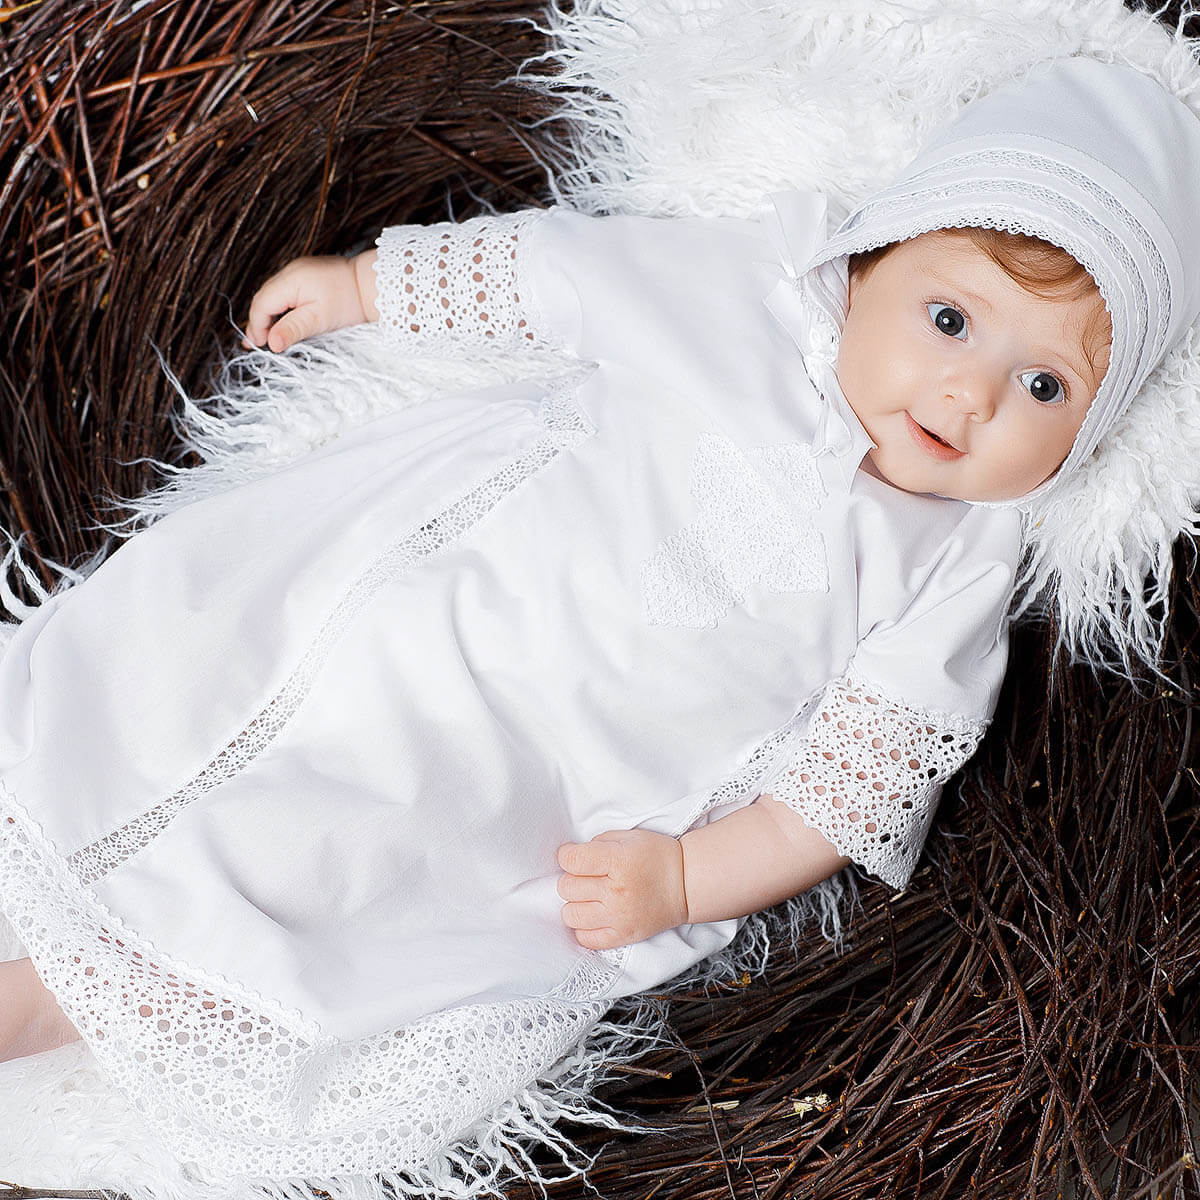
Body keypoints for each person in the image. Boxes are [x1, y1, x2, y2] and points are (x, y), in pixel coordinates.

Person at [0, 54, 1197, 1193]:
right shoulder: (746, 304)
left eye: (1046, 387)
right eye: (950, 320)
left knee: (334, 861)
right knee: (202, 665)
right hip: (434, 589)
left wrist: (685, 876)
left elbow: (851, 787)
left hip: (533, 772)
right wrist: (370, 286)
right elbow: (558, 273)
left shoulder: (960, 566)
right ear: (869, 263)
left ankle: (56, 996)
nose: (969, 393)